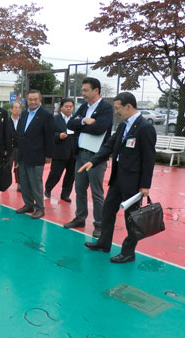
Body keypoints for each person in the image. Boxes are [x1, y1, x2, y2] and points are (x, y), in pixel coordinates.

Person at [82, 92, 156, 263]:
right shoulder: (123, 126)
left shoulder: (145, 128)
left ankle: (128, 252)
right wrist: (93, 161)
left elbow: (149, 158)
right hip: (118, 180)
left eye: (118, 108)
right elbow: (109, 146)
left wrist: (145, 185)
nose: (116, 111)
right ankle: (104, 243)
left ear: (128, 106)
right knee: (107, 212)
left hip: (133, 183)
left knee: (132, 219)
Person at [65, 77, 113, 237]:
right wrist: (85, 121)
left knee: (97, 192)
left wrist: (81, 124)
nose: (83, 93)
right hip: (81, 154)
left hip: (96, 158)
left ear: (96, 91)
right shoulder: (84, 107)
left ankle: (99, 225)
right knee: (79, 189)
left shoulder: (106, 108)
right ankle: (80, 218)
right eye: (83, 90)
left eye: (86, 90)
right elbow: (70, 124)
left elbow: (100, 128)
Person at [15, 90, 54, 219]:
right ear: (26, 100)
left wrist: (49, 155)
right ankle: (28, 205)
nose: (32, 102)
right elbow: (21, 133)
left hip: (37, 155)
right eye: (30, 99)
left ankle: (40, 208)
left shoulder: (46, 115)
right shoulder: (25, 113)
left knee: (36, 183)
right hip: (22, 154)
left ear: (40, 100)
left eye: (35, 99)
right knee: (24, 182)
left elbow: (49, 137)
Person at [44, 98, 77, 202]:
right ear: (61, 107)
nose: (68, 108)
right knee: (55, 174)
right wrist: (58, 136)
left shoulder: (76, 120)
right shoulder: (54, 119)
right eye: (66, 106)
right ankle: (48, 189)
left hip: (73, 153)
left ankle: (65, 194)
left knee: (71, 175)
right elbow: (49, 135)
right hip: (59, 152)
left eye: (70, 107)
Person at [8, 101, 22, 192]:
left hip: (19, 147)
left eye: (19, 108)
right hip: (9, 148)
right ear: (11, 109)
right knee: (7, 166)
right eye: (15, 107)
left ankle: (20, 184)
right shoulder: (6, 121)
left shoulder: (23, 121)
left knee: (19, 167)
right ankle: (6, 182)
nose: (17, 109)